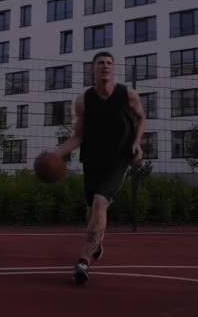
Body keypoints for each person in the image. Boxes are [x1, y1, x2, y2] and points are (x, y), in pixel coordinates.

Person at [54, 51, 146, 284]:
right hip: (92, 159)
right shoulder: (83, 100)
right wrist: (55, 155)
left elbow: (141, 118)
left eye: (109, 63)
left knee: (99, 202)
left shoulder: (128, 95)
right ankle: (98, 240)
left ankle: (84, 260)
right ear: (92, 69)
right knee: (91, 210)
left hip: (118, 159)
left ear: (113, 68)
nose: (105, 66)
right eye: (100, 63)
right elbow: (77, 137)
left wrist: (137, 142)